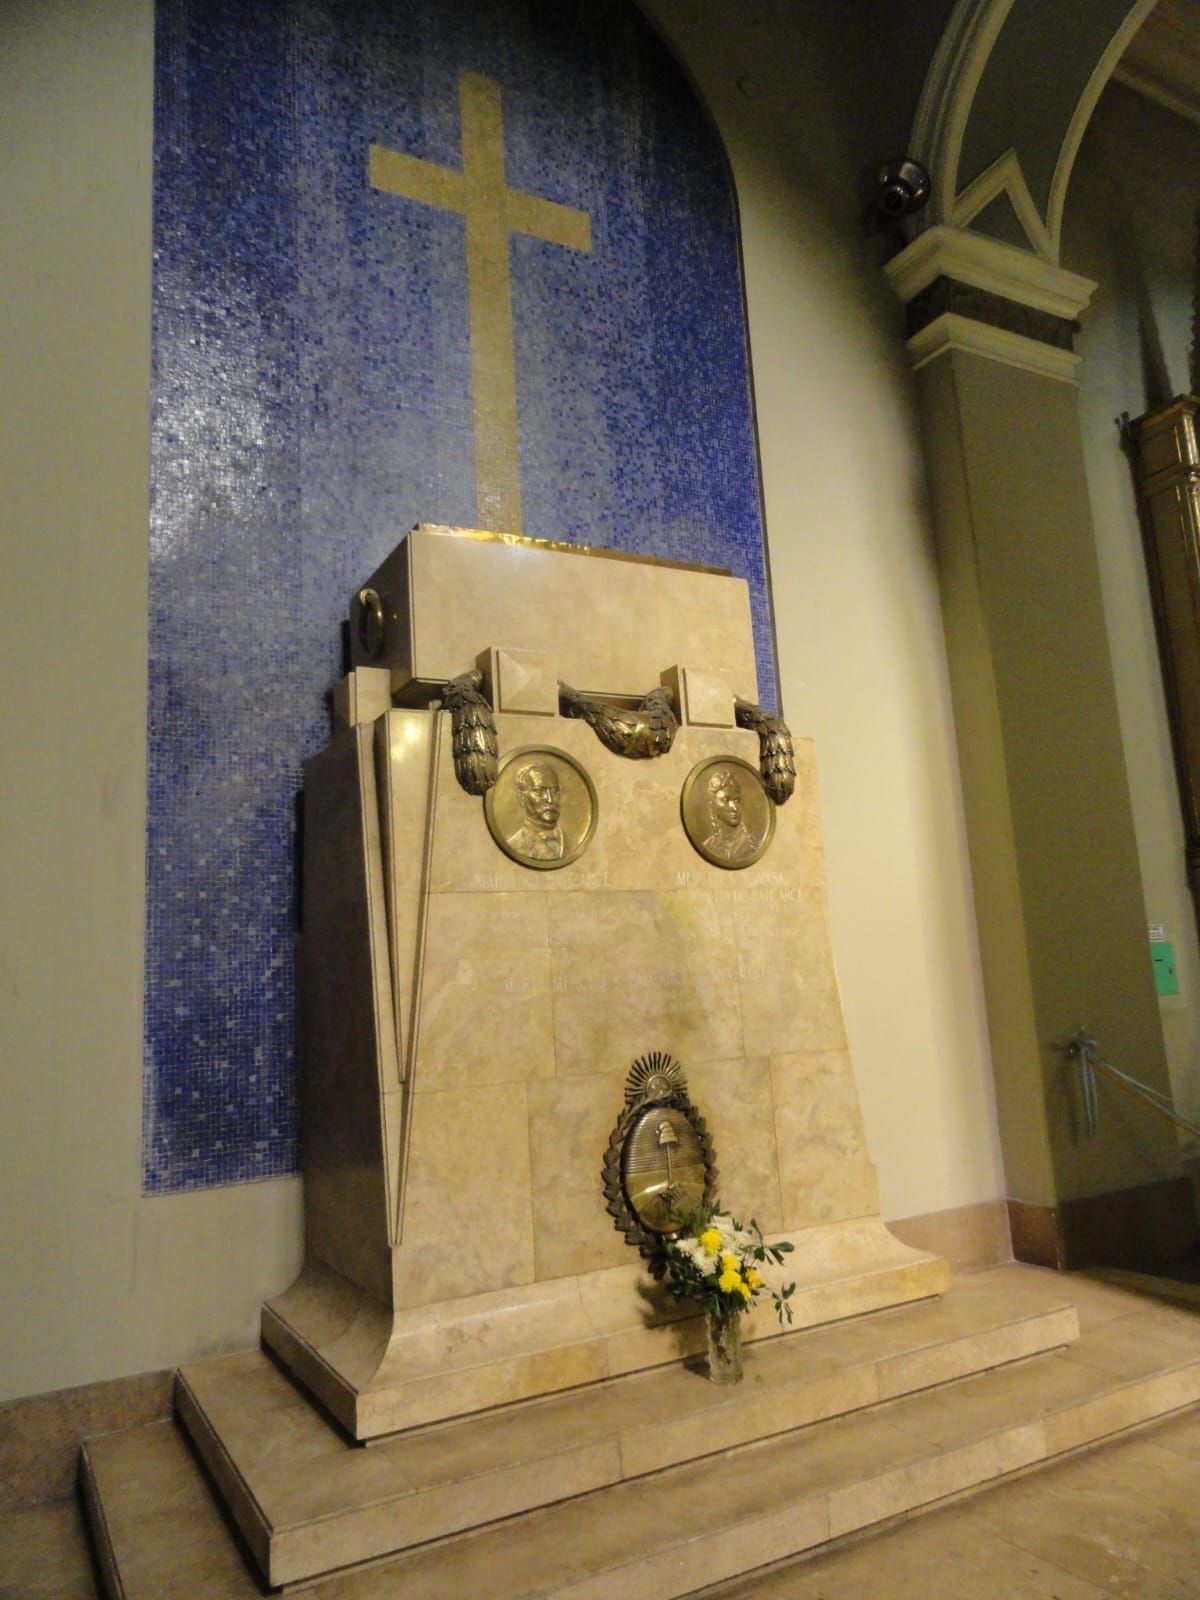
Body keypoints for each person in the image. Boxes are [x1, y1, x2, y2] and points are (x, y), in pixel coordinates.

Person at [507, 761, 565, 861]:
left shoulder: (574, 841)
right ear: (522, 797)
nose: (550, 800)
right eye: (539, 791)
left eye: (554, 791)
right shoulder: (515, 845)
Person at [701, 767, 756, 862]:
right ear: (713, 806)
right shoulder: (708, 845)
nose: (734, 807)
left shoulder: (749, 846)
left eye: (737, 800)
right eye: (726, 800)